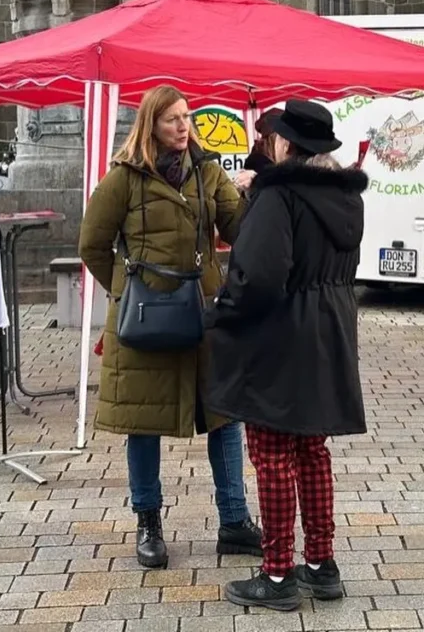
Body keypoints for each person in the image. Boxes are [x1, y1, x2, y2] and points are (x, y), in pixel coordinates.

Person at [78, 84, 261, 570]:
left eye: (187, 116)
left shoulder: (207, 171)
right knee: (143, 423)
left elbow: (239, 230)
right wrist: (127, 292)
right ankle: (148, 525)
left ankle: (234, 521)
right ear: (151, 125)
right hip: (144, 320)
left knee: (224, 415)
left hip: (203, 312)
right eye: (172, 119)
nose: (184, 127)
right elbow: (92, 245)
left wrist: (256, 196)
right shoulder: (124, 177)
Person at [205, 101, 369, 611]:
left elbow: (258, 277)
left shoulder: (278, 195)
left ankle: (277, 574)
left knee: (273, 453)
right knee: (312, 449)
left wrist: (221, 311)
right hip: (330, 331)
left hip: (280, 335)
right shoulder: (346, 195)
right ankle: (321, 565)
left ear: (284, 144)